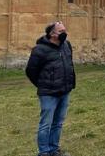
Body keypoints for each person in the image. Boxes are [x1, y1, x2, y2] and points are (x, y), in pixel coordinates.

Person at [25, 21, 76, 156]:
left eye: (65, 30)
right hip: (48, 93)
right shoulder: (39, 50)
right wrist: (44, 84)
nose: (65, 34)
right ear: (52, 34)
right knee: (45, 125)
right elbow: (31, 71)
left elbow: (69, 65)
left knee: (58, 123)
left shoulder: (66, 45)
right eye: (61, 31)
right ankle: (44, 152)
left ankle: (54, 150)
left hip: (64, 91)